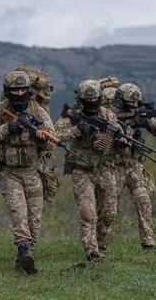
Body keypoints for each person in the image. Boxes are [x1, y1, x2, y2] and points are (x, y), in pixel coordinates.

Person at [0, 71, 54, 274]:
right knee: (18, 212)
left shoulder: (37, 110)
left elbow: (52, 136)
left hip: (33, 170)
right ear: (8, 91)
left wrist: (42, 138)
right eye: (15, 90)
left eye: (23, 89)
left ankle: (24, 256)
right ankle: (24, 250)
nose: (19, 93)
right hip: (9, 172)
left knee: (35, 219)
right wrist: (7, 129)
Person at [55, 80, 119, 260]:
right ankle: (91, 250)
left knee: (109, 213)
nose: (91, 102)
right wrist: (77, 130)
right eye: (87, 99)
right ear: (81, 99)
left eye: (95, 99)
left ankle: (102, 246)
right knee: (88, 212)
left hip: (105, 168)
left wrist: (119, 137)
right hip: (82, 169)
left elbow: (115, 135)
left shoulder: (108, 115)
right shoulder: (71, 115)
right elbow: (55, 135)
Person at [111, 83, 155, 249]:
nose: (134, 106)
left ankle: (148, 242)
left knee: (143, 201)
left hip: (135, 165)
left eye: (136, 103)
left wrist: (145, 121)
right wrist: (131, 125)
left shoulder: (139, 113)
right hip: (114, 166)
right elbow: (115, 138)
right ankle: (102, 243)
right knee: (109, 207)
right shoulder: (111, 115)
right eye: (130, 103)